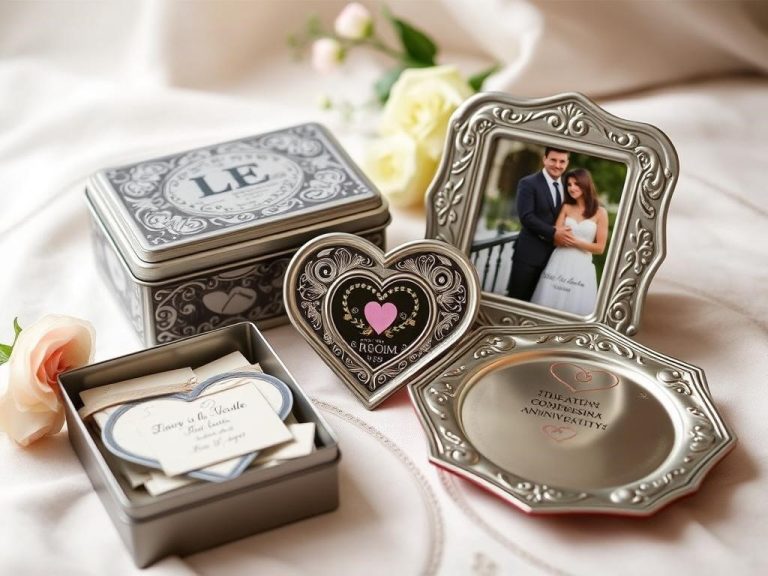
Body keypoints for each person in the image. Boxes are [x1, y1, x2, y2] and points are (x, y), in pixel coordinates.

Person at [530, 168, 609, 315]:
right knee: (548, 302)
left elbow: (599, 248)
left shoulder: (600, 212)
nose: (572, 188)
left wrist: (573, 241)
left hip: (582, 266)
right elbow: (556, 239)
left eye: (576, 184)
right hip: (559, 261)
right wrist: (560, 237)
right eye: (569, 184)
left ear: (586, 184)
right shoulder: (566, 207)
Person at [506, 148, 576, 300]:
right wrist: (554, 232)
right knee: (518, 299)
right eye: (553, 160)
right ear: (545, 159)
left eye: (562, 161)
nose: (557, 165)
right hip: (528, 256)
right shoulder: (528, 183)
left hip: (555, 259)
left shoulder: (568, 187)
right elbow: (526, 217)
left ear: (567, 163)